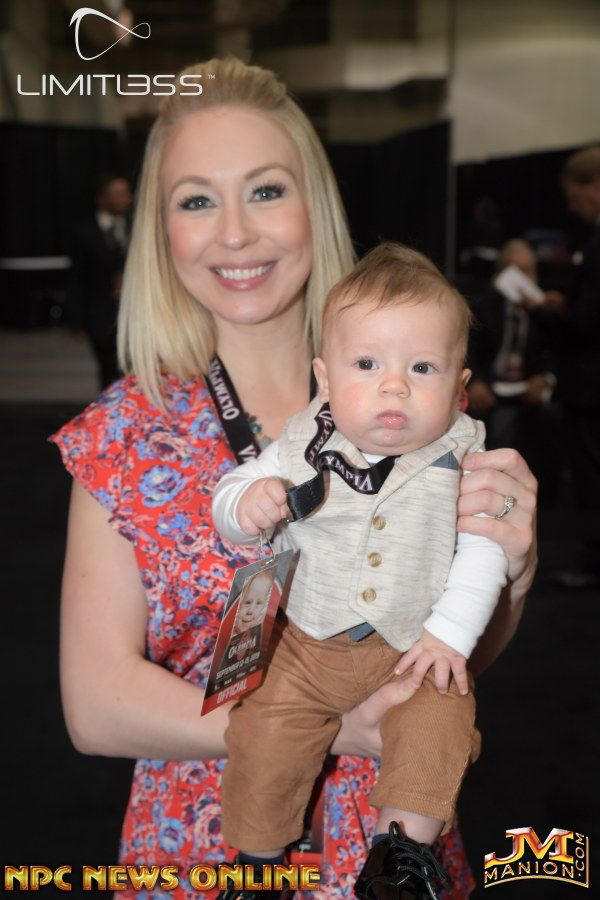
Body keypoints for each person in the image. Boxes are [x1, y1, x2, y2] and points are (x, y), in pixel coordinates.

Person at [52, 57, 538, 900]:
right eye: (196, 200)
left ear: (315, 204)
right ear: (160, 231)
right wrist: (328, 727)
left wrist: (514, 572)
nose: (235, 233)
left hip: (393, 843)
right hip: (205, 850)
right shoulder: (123, 434)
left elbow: (453, 652)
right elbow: (95, 706)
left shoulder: (414, 402)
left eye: (266, 191)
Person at [212, 242, 509, 899]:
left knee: (440, 723)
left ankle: (399, 857)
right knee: (263, 729)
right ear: (324, 379)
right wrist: (245, 504)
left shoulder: (466, 459)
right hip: (306, 643)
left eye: (422, 367)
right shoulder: (301, 441)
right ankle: (257, 862)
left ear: (459, 386)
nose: (394, 385)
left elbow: (484, 553)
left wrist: (449, 637)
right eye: (367, 364)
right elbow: (228, 497)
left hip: (412, 648)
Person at [467, 239, 561, 504]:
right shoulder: (482, 306)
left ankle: (545, 503)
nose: (519, 278)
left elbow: (555, 352)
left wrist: (544, 379)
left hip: (526, 387)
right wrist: (475, 381)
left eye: (526, 271)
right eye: (513, 270)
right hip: (490, 385)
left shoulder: (543, 311)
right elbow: (469, 350)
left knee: (550, 419)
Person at [553, 147, 600, 585]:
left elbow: (589, 320)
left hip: (590, 385)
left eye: (574, 197)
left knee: (592, 473)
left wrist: (553, 310)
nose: (572, 207)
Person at [70, 174, 132, 389]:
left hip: (133, 313)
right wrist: (77, 321)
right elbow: (76, 278)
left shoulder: (136, 226)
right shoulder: (84, 232)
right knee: (108, 370)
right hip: (100, 313)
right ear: (102, 199)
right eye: (117, 194)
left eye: (125, 193)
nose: (124, 199)